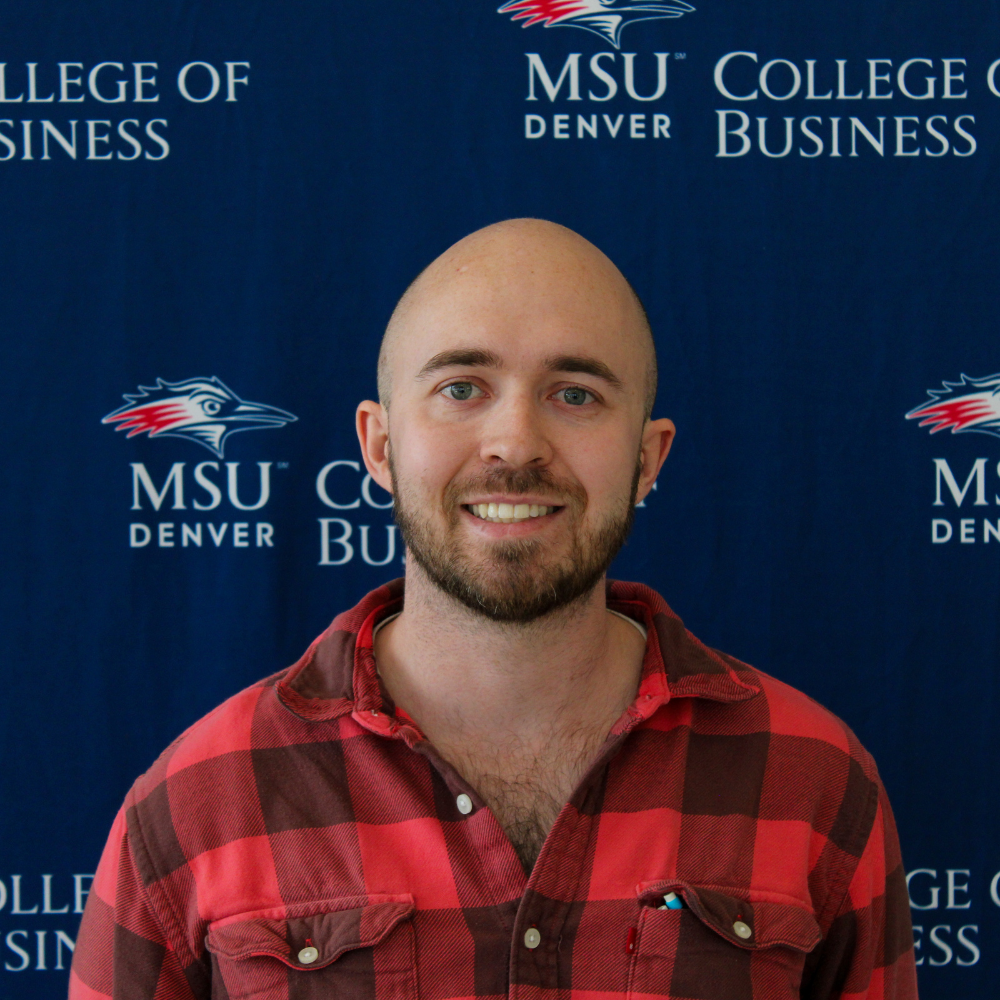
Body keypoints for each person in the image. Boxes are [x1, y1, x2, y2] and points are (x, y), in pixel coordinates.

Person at [70, 219, 918, 1000]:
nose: (515, 442)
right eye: (462, 387)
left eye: (576, 393)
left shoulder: (815, 782)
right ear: (379, 445)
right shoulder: (196, 805)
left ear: (648, 459)